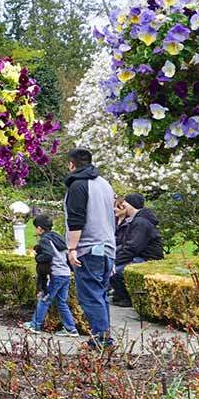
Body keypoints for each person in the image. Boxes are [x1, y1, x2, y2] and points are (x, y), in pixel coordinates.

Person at [63, 147, 118, 348]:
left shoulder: (78, 185)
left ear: (71, 164)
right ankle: (101, 337)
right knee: (100, 295)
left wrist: (72, 248)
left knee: (91, 297)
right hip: (107, 248)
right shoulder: (105, 184)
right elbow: (113, 218)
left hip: (89, 249)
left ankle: (102, 341)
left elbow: (76, 219)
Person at [23, 213, 77, 335]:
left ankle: (35, 325)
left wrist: (38, 257)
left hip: (55, 274)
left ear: (40, 228)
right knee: (61, 302)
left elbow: (47, 255)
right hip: (65, 274)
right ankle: (71, 329)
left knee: (44, 299)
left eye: (36, 227)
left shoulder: (45, 239)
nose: (35, 230)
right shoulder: (57, 237)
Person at [112, 193, 163, 305]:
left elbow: (132, 247)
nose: (123, 205)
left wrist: (115, 262)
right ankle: (120, 295)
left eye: (125, 203)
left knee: (116, 272)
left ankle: (127, 299)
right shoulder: (137, 221)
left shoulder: (141, 222)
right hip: (140, 255)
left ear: (131, 205)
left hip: (147, 258)